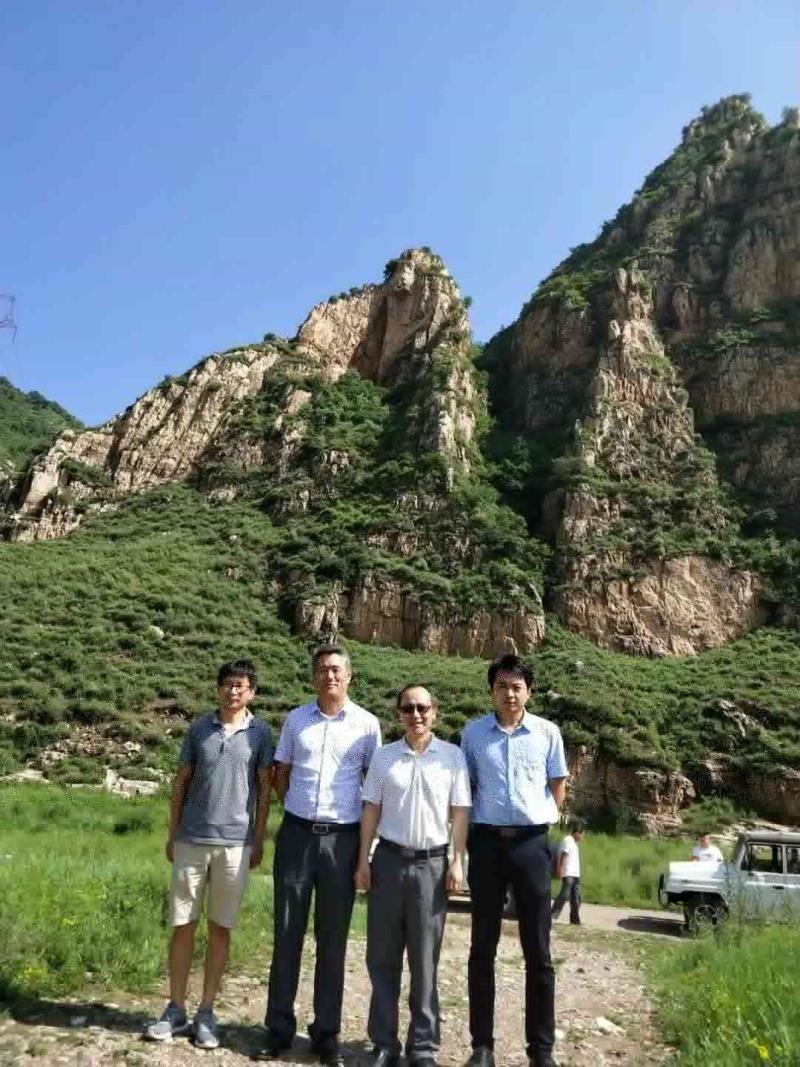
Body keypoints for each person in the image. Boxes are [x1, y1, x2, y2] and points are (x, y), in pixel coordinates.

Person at [257, 645, 381, 1066]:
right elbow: (281, 774)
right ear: (314, 677)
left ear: (349, 676)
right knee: (286, 931)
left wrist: (364, 848)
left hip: (342, 840)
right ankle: (278, 1029)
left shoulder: (367, 725)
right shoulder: (296, 720)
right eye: (323, 669)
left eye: (336, 669)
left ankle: (326, 1033)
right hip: (296, 835)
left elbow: (372, 787)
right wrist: (296, 807)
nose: (330, 676)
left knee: (333, 938)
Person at [144, 659, 274, 1050]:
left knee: (220, 927)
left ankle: (206, 1012)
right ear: (218, 688)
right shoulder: (198, 729)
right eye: (227, 684)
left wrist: (258, 839)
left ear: (252, 693)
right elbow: (180, 782)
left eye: (240, 685)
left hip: (235, 844)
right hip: (191, 840)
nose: (233, 691)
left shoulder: (261, 734)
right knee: (182, 924)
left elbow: (264, 791)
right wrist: (172, 834)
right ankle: (175, 1008)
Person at [355, 684, 471, 1067]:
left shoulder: (452, 757)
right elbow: (371, 809)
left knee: (425, 961)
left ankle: (422, 1046)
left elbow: (460, 812)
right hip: (388, 861)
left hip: (432, 866)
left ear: (434, 711)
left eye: (422, 707)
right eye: (408, 708)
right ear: (398, 714)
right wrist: (363, 860)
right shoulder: (384, 757)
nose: (416, 715)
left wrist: (457, 861)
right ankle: (384, 1044)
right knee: (382, 958)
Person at [461, 653, 567, 1067]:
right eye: (502, 686)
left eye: (517, 687)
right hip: (486, 844)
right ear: (491, 691)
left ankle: (541, 1050)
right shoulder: (472, 735)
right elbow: (466, 789)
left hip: (531, 845)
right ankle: (482, 1047)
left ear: (529, 692)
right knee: (481, 948)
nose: (509, 693)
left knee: (538, 950)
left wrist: (535, 820)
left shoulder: (547, 733)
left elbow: (557, 787)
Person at [550, 820, 585, 926]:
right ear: (577, 833)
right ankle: (552, 915)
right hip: (568, 873)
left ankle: (574, 919)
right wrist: (560, 870)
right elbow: (563, 855)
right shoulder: (568, 840)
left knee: (576, 898)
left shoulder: (574, 843)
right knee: (564, 895)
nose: (582, 837)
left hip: (575, 874)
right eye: (582, 835)